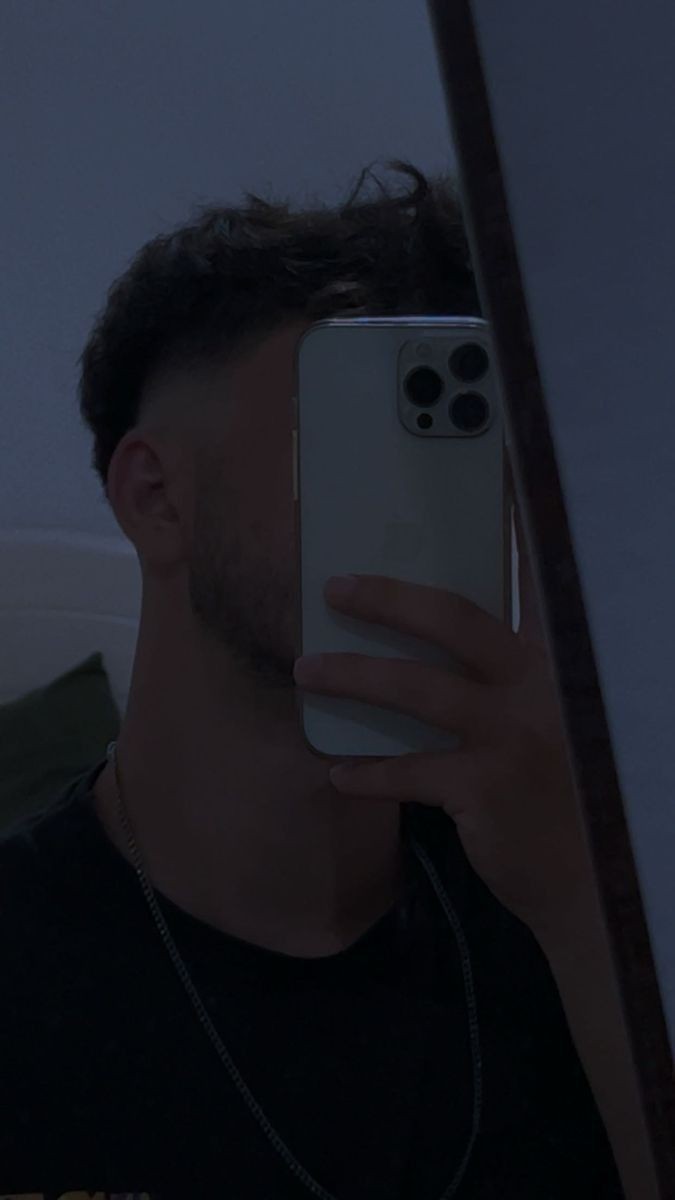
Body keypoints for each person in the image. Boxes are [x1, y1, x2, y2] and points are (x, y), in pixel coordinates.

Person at [0, 162, 642, 1199]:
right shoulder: (26, 964)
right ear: (157, 497)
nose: (427, 513)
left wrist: (583, 908)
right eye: (356, 448)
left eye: (468, 453)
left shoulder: (566, 907)